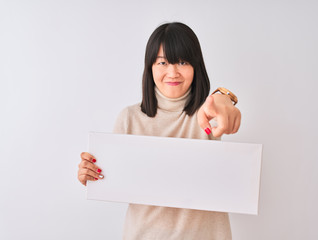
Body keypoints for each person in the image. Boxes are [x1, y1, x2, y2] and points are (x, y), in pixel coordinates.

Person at [78, 22, 241, 240]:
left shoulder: (208, 113)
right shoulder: (129, 118)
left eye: (182, 62)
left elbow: (223, 109)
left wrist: (224, 99)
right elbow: (112, 177)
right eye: (162, 62)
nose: (172, 72)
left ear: (196, 66)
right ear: (150, 67)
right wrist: (90, 173)